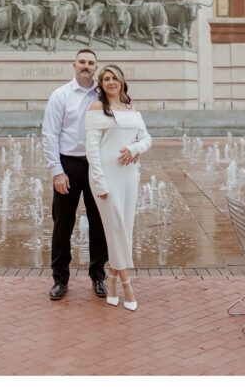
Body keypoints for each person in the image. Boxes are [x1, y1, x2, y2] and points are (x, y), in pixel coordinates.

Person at [42, 48, 109, 300]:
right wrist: (57, 172)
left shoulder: (103, 94)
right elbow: (49, 135)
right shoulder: (60, 95)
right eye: (82, 61)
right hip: (68, 165)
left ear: (95, 67)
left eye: (91, 63)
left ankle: (98, 276)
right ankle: (60, 280)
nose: (86, 66)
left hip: (95, 167)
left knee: (99, 223)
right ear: (74, 64)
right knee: (63, 225)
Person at [84, 64, 152, 311]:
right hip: (104, 176)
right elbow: (91, 149)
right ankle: (127, 284)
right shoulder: (95, 109)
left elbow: (146, 139)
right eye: (106, 79)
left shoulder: (133, 109)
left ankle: (111, 279)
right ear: (100, 85)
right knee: (115, 228)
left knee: (125, 226)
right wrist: (100, 181)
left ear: (122, 81)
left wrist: (135, 149)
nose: (110, 82)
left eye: (114, 78)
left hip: (128, 176)